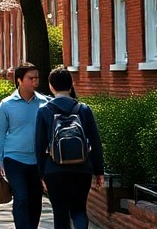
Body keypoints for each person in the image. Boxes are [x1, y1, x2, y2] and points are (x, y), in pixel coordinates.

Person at [35, 67, 105, 229]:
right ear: (71, 85)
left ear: (51, 86)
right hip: (81, 169)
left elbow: (39, 145)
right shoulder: (83, 110)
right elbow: (95, 142)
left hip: (54, 169)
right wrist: (98, 170)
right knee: (79, 210)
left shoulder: (44, 111)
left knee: (60, 212)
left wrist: (41, 173)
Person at [0, 62, 49, 229]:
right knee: (21, 196)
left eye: (37, 78)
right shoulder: (7, 104)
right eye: (31, 78)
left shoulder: (44, 103)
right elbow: (0, 133)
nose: (35, 81)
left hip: (37, 160)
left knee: (35, 198)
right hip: (14, 159)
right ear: (19, 80)